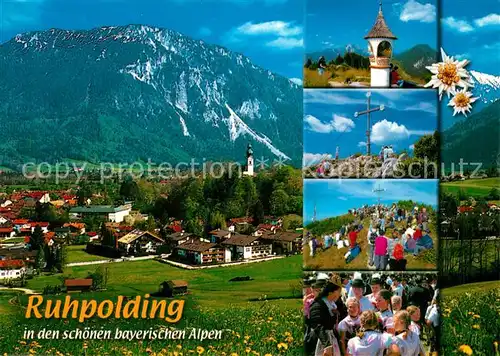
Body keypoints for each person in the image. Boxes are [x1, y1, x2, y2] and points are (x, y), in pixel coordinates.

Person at [308, 281, 343, 356]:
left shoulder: (331, 304)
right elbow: (317, 325)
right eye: (317, 290)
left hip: (332, 337)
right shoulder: (316, 305)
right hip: (320, 339)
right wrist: (327, 344)